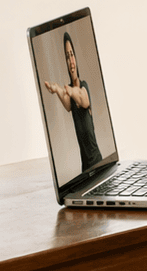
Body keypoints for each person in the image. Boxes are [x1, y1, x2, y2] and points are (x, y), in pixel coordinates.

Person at [43, 32, 105, 171]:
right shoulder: (69, 92)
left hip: (98, 164)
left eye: (71, 54)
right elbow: (67, 104)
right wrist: (57, 89)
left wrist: (69, 91)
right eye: (67, 56)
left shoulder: (84, 86)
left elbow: (83, 100)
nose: (70, 60)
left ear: (75, 58)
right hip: (86, 169)